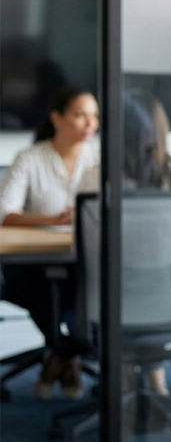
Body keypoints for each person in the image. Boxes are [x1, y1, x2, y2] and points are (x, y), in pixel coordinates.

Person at [77, 89, 171, 396]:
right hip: (170, 303)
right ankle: (153, 383)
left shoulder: (96, 179)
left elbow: (80, 253)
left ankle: (130, 384)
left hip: (107, 304)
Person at [0, 86, 101, 398]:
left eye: (94, 116)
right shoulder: (31, 158)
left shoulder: (99, 160)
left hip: (84, 262)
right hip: (32, 264)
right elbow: (6, 213)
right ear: (57, 118)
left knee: (83, 288)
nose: (90, 124)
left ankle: (60, 355)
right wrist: (51, 219)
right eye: (80, 115)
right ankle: (65, 354)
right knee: (45, 288)